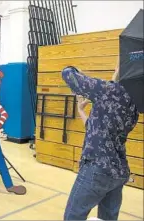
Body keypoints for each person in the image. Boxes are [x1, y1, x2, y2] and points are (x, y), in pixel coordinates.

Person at [62, 64, 139, 220]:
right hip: (118, 172)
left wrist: (77, 70)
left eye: (118, 66)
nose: (115, 67)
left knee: (72, 216)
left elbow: (68, 74)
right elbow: (98, 129)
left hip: (97, 168)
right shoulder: (135, 102)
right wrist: (81, 111)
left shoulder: (107, 90)